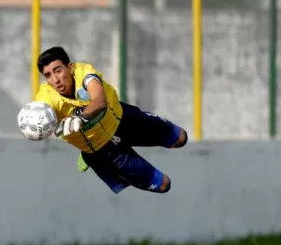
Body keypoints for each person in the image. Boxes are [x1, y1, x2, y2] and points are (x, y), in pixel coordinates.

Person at [34, 46, 188, 194]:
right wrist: (36, 124)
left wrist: (81, 118)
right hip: (103, 150)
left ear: (70, 67)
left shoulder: (84, 73)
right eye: (48, 75)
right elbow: (41, 111)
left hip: (123, 120)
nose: (55, 80)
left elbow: (99, 102)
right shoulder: (46, 96)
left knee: (180, 138)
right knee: (163, 185)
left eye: (58, 71)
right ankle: (90, 156)